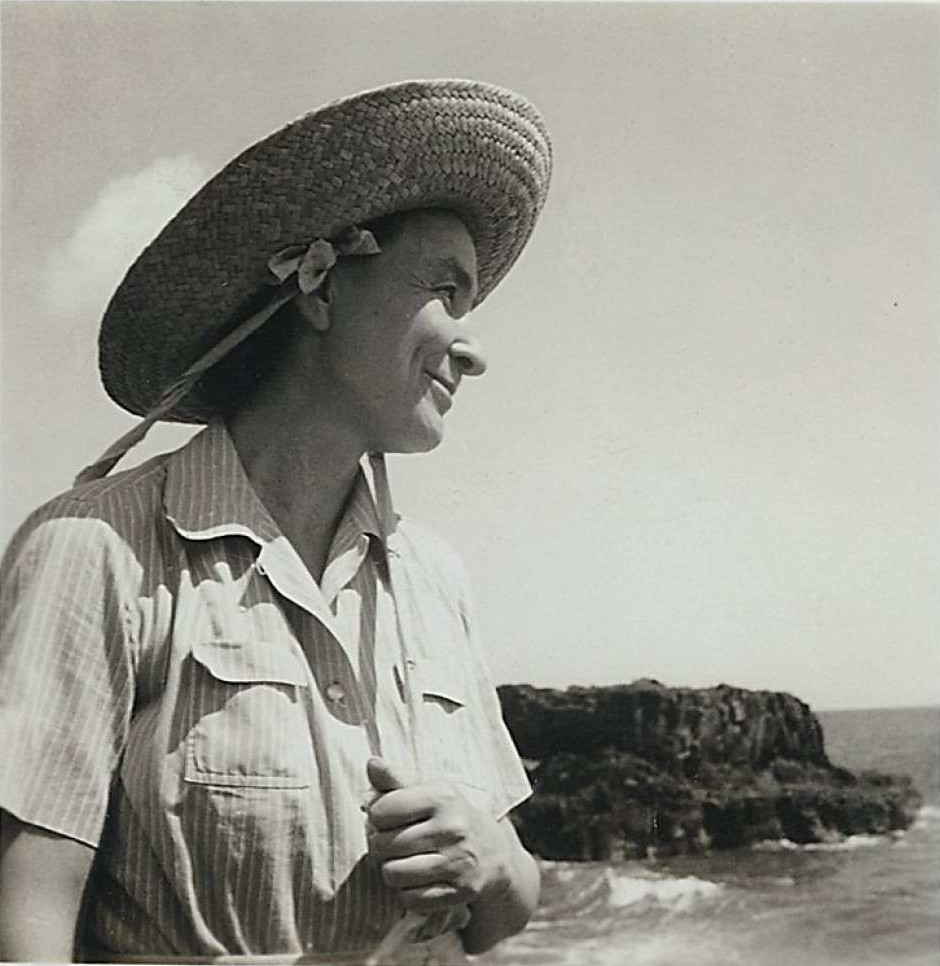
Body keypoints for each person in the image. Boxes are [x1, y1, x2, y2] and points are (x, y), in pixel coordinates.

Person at [0, 79, 552, 963]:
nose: (471, 344)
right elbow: (23, 928)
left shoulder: (432, 579)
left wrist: (493, 864)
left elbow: (507, 905)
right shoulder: (95, 550)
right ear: (320, 291)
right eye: (445, 290)